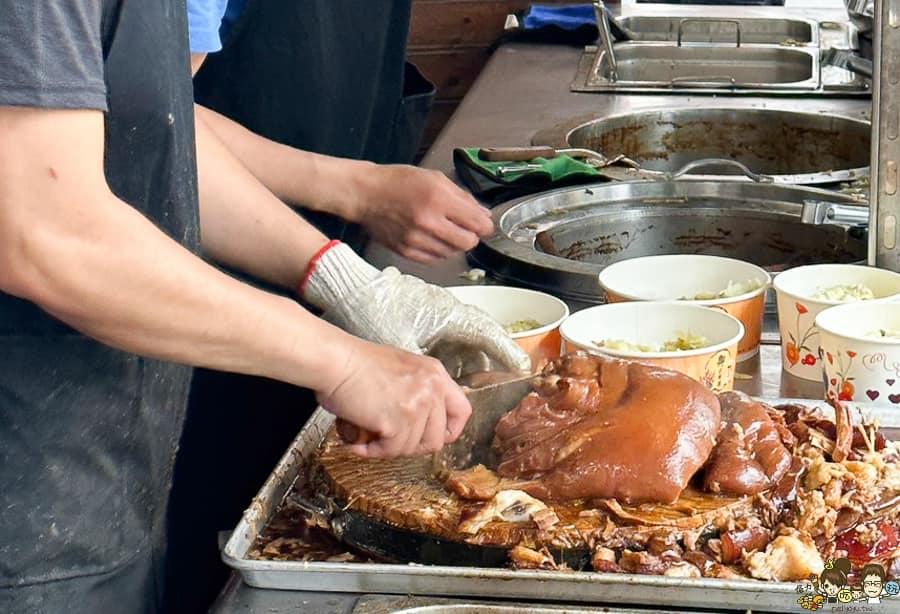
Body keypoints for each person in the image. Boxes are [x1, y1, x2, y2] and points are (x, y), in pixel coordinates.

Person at [0, 3, 528, 613]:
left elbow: (154, 129)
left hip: (98, 468)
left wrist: (346, 282)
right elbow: (46, 233)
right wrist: (342, 363)